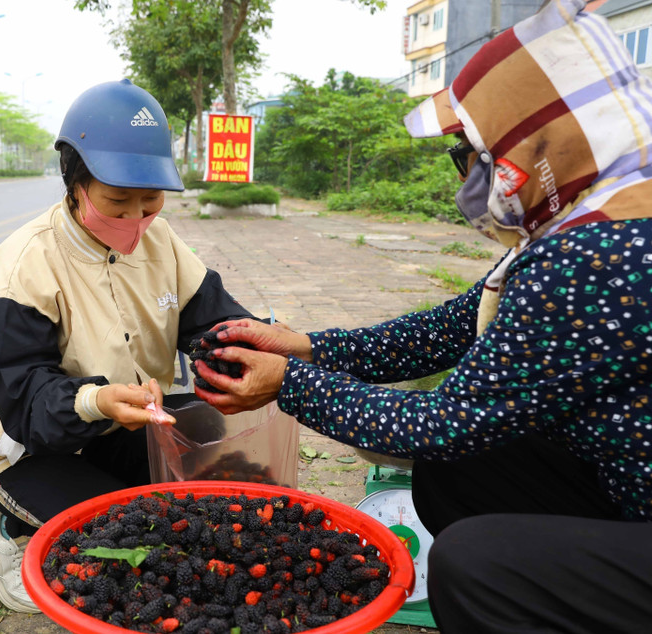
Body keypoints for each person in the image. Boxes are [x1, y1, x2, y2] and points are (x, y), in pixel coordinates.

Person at [192, 1, 652, 631]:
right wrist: (303, 346)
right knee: (462, 467)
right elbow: (448, 329)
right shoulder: (601, 216)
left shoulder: (597, 256)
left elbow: (440, 424)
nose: (468, 178)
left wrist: (288, 384)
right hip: (627, 482)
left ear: (537, 148)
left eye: (473, 155)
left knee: (476, 565)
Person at [0, 79, 256, 613]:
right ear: (75, 183)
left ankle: (100, 491)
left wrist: (262, 351)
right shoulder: (27, 261)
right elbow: (23, 395)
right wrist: (95, 401)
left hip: (125, 425)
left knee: (206, 436)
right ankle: (8, 529)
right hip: (30, 446)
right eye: (117, 201)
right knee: (126, 544)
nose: (135, 220)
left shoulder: (161, 241)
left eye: (150, 201)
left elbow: (216, 321)